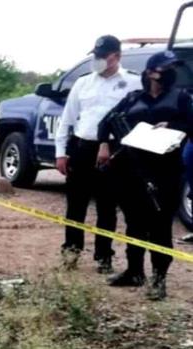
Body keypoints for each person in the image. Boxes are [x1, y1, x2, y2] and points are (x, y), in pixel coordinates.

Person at [98, 50, 193, 300]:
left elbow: (191, 125)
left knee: (161, 227)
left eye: (171, 68)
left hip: (166, 171)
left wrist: (172, 127)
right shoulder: (132, 99)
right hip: (131, 170)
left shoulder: (181, 98)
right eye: (164, 68)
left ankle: (159, 279)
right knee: (134, 224)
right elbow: (106, 122)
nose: (169, 72)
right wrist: (104, 145)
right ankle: (134, 271)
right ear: (150, 72)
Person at [55, 35, 142, 273]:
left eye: (103, 56)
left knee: (107, 207)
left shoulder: (133, 83)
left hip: (114, 151)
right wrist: (61, 153)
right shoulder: (83, 83)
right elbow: (67, 120)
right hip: (82, 148)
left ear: (117, 56)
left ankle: (104, 257)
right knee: (76, 205)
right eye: (96, 55)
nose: (98, 60)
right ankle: (71, 252)